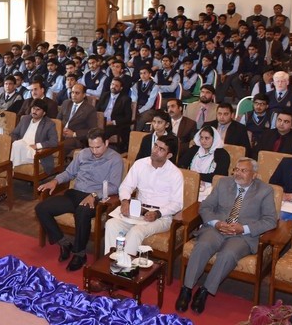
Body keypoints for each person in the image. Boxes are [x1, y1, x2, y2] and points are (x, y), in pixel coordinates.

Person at [176, 158, 277, 315]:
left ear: (254, 175)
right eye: (236, 169)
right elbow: (205, 207)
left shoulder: (265, 190)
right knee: (203, 245)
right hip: (217, 228)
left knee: (228, 254)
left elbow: (270, 220)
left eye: (243, 170)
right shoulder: (223, 183)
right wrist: (216, 223)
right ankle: (186, 289)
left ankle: (204, 291)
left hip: (242, 235)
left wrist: (243, 229)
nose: (238, 173)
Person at [35, 129, 124, 271]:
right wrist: (55, 181)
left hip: (95, 198)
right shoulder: (83, 154)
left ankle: (80, 254)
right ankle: (64, 243)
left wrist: (94, 195)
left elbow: (114, 187)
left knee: (82, 212)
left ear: (106, 143)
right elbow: (69, 173)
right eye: (91, 147)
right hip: (75, 194)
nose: (94, 151)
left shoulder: (115, 159)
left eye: (98, 147)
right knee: (41, 208)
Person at [99, 135, 183, 283]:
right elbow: (126, 186)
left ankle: (124, 274)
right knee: (111, 224)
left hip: (161, 217)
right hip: (138, 211)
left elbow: (177, 204)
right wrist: (125, 201)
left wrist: (158, 213)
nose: (155, 150)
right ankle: (110, 268)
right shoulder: (140, 164)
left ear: (169, 155)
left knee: (136, 231)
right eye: (155, 146)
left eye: (161, 149)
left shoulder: (175, 173)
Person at [178, 126, 230, 201]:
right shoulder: (195, 149)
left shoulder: (222, 154)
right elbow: (181, 165)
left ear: (214, 139)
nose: (203, 141)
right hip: (191, 182)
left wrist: (197, 177)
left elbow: (218, 176)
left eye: (207, 138)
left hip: (211, 186)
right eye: (201, 138)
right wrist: (192, 177)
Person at [9, 98, 59, 173]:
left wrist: (37, 146)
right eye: (33, 108)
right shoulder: (25, 119)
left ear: (44, 113)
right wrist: (20, 143)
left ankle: (11, 170)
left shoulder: (49, 124)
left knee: (16, 146)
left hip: (36, 153)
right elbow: (13, 134)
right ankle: (12, 169)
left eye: (38, 109)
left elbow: (54, 142)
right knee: (17, 144)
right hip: (20, 148)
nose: (34, 111)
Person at [58, 83, 98, 157]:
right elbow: (58, 120)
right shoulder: (66, 103)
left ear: (84, 95)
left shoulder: (90, 109)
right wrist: (60, 129)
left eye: (77, 93)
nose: (73, 95)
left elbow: (93, 130)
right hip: (61, 133)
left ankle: (55, 163)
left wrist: (74, 134)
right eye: (72, 92)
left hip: (77, 138)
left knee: (61, 145)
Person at [96, 77, 133, 151]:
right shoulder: (105, 95)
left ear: (121, 88)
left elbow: (128, 117)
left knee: (103, 132)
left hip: (115, 125)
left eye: (116, 85)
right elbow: (96, 110)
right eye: (112, 84)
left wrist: (112, 122)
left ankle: (100, 151)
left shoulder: (125, 99)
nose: (113, 87)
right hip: (101, 121)